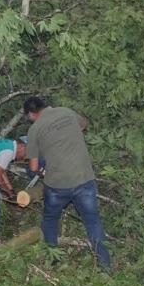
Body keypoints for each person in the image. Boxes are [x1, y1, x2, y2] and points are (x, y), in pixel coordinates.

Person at [24, 96, 111, 270]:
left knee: (49, 220)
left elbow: (33, 167)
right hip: (84, 178)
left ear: (32, 115)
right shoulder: (66, 111)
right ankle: (106, 265)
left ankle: (53, 260)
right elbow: (83, 124)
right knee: (93, 221)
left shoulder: (35, 129)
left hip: (58, 185)